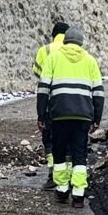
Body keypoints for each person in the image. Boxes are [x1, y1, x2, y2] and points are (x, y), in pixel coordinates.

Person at [36, 23, 104, 203]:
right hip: (83, 116)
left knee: (59, 151)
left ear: (65, 41)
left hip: (58, 115)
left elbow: (43, 89)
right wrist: (96, 118)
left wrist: (41, 115)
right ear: (81, 43)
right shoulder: (90, 61)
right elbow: (98, 92)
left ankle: (62, 189)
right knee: (79, 152)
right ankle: (79, 194)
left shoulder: (54, 58)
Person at [33, 19, 68, 183]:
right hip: (69, 102)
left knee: (49, 139)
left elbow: (37, 73)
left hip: (49, 102)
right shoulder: (76, 51)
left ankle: (52, 172)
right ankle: (65, 177)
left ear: (53, 36)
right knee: (67, 139)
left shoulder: (44, 50)